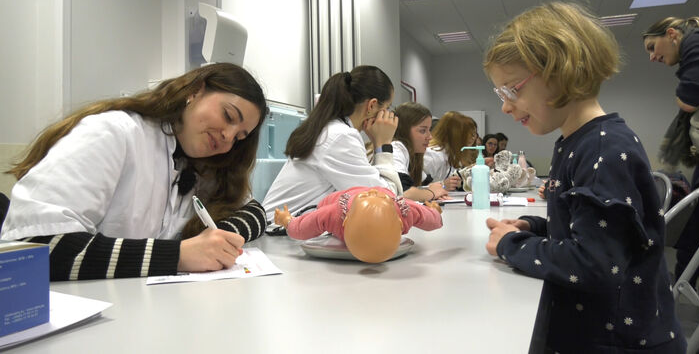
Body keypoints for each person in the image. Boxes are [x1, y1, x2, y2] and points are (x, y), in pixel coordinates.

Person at [483, 2, 685, 352]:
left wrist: (510, 246)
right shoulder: (577, 141)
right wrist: (536, 226)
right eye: (501, 94)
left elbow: (594, 264)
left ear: (559, 72)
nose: (505, 106)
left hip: (620, 342)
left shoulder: (603, 150)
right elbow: (596, 228)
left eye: (512, 90)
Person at [1, 63, 269, 280]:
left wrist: (217, 240)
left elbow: (255, 211)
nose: (228, 137)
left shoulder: (196, 163)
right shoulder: (114, 133)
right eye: (228, 116)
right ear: (196, 91)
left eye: (239, 137)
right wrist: (178, 254)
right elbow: (33, 248)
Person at [262, 66, 402, 222]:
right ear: (372, 106)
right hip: (280, 235)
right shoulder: (341, 137)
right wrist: (383, 145)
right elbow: (386, 202)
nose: (388, 115)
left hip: (286, 228)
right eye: (387, 108)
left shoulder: (331, 130)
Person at [643, 16, 699, 295]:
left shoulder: (696, 42)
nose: (653, 56)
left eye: (653, 47)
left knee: (694, 239)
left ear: (672, 34)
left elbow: (689, 98)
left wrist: (683, 98)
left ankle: (679, 294)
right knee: (694, 239)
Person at [274, 186, 443, 263]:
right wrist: (435, 210)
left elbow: (301, 229)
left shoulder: (335, 213)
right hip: (355, 194)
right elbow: (432, 221)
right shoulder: (403, 209)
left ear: (346, 222)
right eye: (380, 198)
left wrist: (286, 220)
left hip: (340, 196)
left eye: (366, 197)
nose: (372, 192)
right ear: (400, 223)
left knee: (321, 207)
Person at [391, 102, 454, 201]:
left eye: (429, 130)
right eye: (423, 131)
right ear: (404, 130)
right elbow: (403, 192)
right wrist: (432, 193)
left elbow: (424, 184)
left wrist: (437, 189)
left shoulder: (411, 153)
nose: (430, 137)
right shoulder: (396, 148)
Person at [424, 111, 478, 189]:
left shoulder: (451, 154)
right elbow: (411, 190)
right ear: (455, 134)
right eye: (469, 133)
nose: (473, 137)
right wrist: (443, 185)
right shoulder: (432, 155)